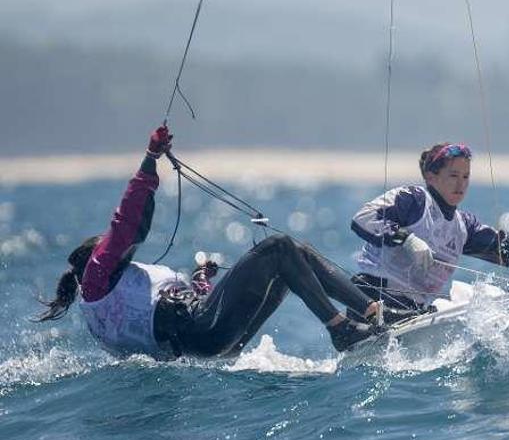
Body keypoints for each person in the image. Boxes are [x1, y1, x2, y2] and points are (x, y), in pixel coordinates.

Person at [35, 126, 384, 360]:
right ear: (94, 260)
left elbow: (163, 317)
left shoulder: (100, 310)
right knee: (280, 247)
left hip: (209, 341)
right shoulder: (97, 276)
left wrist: (200, 279)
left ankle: (372, 312)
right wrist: (149, 160)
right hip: (203, 332)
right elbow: (127, 226)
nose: (118, 251)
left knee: (293, 258)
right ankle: (342, 329)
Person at [350, 142, 509, 322]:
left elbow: (507, 254)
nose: (461, 184)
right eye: (453, 175)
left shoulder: (463, 225)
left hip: (412, 312)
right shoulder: (414, 199)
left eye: (465, 177)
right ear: (431, 177)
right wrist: (406, 239)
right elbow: (363, 218)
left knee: (484, 300)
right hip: (374, 300)